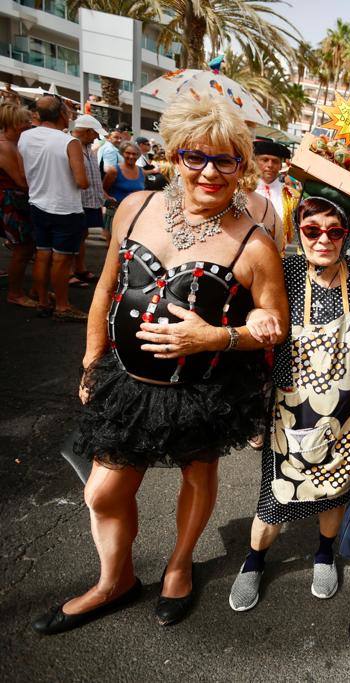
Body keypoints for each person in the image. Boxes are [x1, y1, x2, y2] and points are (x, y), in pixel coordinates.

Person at [30, 95, 288, 635]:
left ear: (241, 166)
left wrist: (218, 335)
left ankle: (178, 566)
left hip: (203, 387)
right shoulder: (135, 208)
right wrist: (91, 359)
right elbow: (105, 290)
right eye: (197, 157)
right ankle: (115, 580)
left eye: (225, 160)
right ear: (174, 156)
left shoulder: (255, 243)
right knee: (102, 492)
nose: (210, 172)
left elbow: (274, 322)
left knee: (197, 474)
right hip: (126, 383)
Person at [229, 183, 350, 612]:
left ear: (347, 233)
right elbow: (252, 309)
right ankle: (254, 560)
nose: (323, 240)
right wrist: (256, 315)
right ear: (298, 229)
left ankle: (324, 553)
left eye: (335, 231)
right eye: (312, 229)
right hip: (290, 412)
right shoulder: (283, 271)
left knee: (335, 492)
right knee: (274, 499)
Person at [18, 95, 89, 321]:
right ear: (61, 115)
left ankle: (42, 301)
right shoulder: (69, 142)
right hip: (65, 208)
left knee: (42, 254)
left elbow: (23, 173)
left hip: (38, 203)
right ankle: (62, 306)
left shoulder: (25, 137)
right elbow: (82, 181)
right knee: (61, 260)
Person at [0, 103, 33, 307]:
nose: (29, 125)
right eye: (24, 121)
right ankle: (15, 293)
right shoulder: (5, 146)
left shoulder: (12, 144)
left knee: (25, 248)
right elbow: (21, 181)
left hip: (13, 201)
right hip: (10, 202)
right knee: (23, 248)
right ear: (13, 123)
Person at [70, 114, 107, 288]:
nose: (97, 137)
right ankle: (69, 271)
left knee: (82, 234)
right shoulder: (71, 145)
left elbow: (94, 176)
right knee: (73, 235)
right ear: (87, 131)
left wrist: (103, 195)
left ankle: (79, 268)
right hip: (76, 199)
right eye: (95, 133)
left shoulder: (89, 148)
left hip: (89, 199)